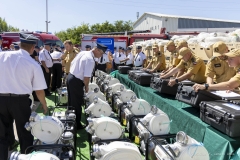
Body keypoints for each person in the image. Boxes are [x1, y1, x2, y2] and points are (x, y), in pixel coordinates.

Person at [0, 33, 47, 160]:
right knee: (25, 132)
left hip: (0, 99)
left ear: (20, 44)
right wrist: (44, 104)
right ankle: (26, 157)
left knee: (2, 133)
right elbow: (39, 91)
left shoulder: (2, 55)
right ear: (33, 48)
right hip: (20, 101)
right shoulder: (33, 64)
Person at [67, 43, 107, 129]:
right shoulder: (90, 60)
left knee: (71, 101)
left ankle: (70, 120)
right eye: (101, 53)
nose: (101, 55)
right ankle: (76, 124)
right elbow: (86, 77)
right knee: (77, 103)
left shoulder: (83, 52)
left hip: (71, 77)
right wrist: (86, 87)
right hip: (76, 81)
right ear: (96, 50)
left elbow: (72, 63)